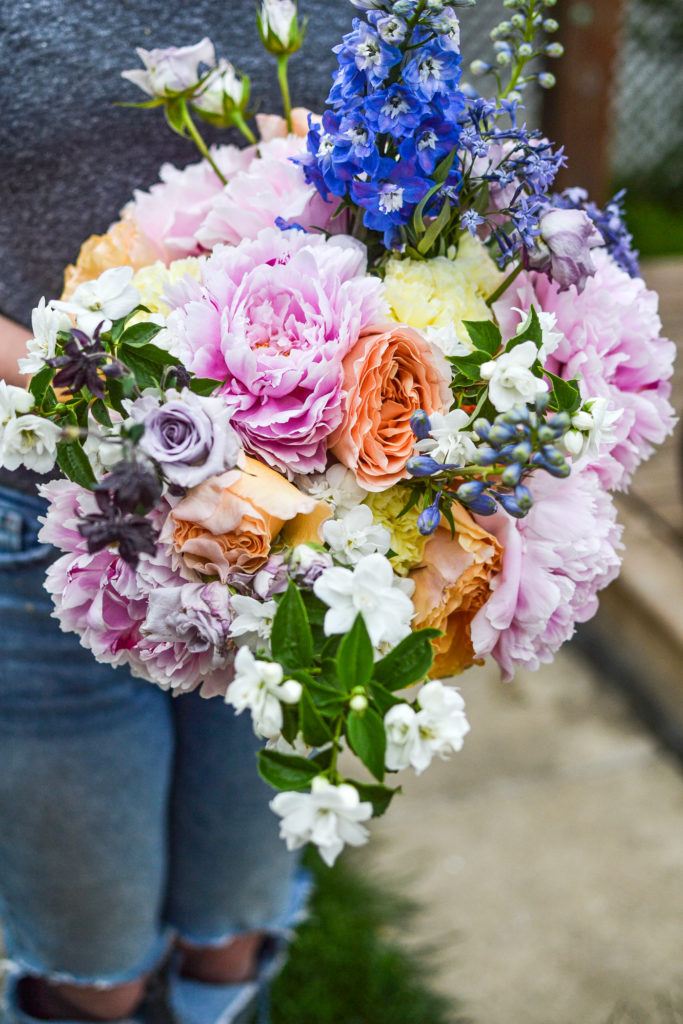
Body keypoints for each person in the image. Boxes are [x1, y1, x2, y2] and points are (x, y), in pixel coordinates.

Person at [0, 2, 350, 1022]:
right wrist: (143, 411)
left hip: (303, 528)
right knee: (90, 958)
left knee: (233, 916)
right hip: (40, 535)